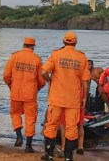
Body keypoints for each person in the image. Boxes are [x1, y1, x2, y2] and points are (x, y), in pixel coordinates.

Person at [41, 31, 90, 161]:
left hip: (56, 98)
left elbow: (43, 72)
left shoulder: (56, 54)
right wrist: (84, 98)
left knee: (51, 125)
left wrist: (49, 80)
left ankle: (49, 155)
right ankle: (68, 157)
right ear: (75, 42)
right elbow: (85, 81)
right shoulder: (82, 57)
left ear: (64, 41)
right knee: (71, 128)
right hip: (73, 100)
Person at [3, 37, 45, 153]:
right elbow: (41, 80)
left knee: (15, 113)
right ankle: (28, 146)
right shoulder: (37, 59)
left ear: (24, 45)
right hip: (30, 94)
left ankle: (18, 137)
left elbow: (6, 75)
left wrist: (11, 86)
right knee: (30, 118)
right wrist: (38, 88)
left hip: (15, 92)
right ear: (33, 46)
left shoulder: (14, 56)